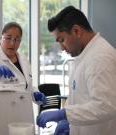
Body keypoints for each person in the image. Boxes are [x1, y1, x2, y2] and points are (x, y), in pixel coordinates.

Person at [36, 6, 116, 135]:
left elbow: (106, 106)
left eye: (62, 40)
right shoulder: (85, 55)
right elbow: (79, 96)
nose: (62, 48)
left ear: (77, 31)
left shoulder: (100, 57)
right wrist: (67, 120)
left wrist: (65, 114)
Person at [0, 22, 46, 105]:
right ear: (0, 38)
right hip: (1, 110)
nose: (12, 43)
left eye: (16, 39)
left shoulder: (23, 60)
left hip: (23, 109)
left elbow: (26, 86)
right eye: (8, 38)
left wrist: (35, 93)